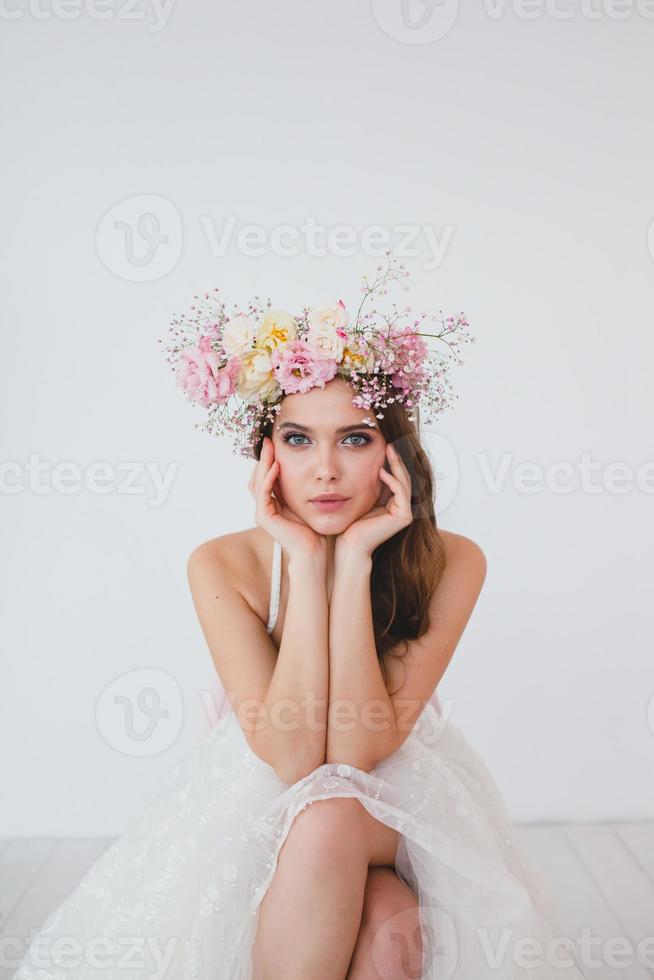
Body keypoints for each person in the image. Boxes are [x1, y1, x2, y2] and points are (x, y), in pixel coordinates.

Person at [11, 258, 587, 979]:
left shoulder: (452, 560)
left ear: (393, 452)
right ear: (266, 454)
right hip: (264, 798)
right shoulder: (222, 564)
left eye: (353, 439)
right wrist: (306, 565)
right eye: (298, 439)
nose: (324, 471)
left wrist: (351, 567)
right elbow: (289, 759)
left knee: (335, 810)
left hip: (401, 801)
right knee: (383, 926)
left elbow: (356, 754)